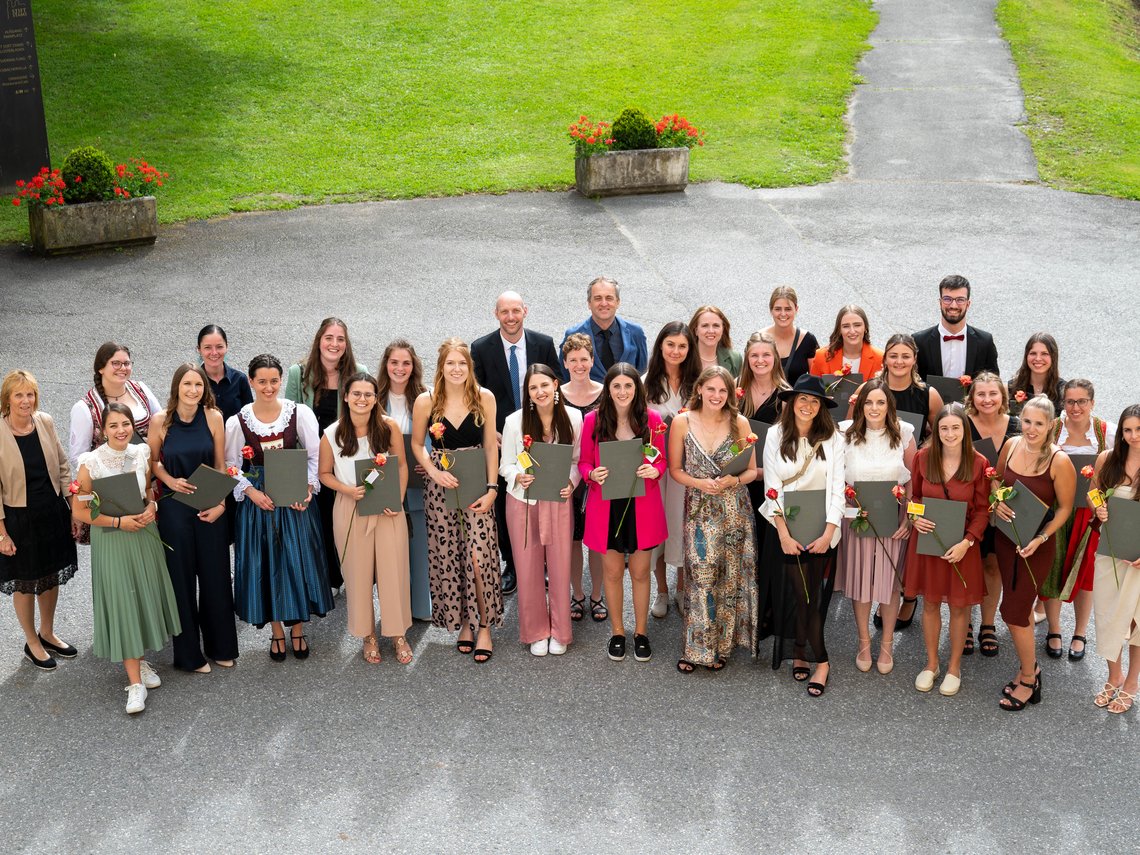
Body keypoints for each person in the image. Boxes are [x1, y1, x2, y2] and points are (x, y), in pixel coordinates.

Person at [71, 404, 180, 714]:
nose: (121, 430)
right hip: (113, 540)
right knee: (123, 601)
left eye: (126, 424)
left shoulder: (141, 453)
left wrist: (152, 507)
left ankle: (140, 661)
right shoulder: (90, 463)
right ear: (103, 430)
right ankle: (134, 685)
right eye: (114, 425)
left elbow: (147, 491)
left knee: (141, 597)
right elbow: (81, 510)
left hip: (143, 536)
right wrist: (119, 523)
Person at [226, 354, 333, 660]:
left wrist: (308, 488)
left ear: (281, 380)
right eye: (262, 381)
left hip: (292, 493)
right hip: (259, 501)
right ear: (251, 382)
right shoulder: (237, 422)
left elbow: (314, 455)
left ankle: (297, 629)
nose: (269, 387)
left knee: (295, 560)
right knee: (266, 563)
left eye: (274, 381)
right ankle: (276, 632)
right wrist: (250, 491)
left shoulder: (298, 413)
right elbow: (231, 465)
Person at [411, 338, 501, 663]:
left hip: (477, 486)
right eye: (451, 363)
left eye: (462, 363)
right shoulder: (426, 401)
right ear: (441, 366)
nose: (457, 368)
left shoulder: (484, 398)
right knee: (451, 556)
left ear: (470, 367)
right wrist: (433, 473)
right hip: (441, 489)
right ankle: (464, 622)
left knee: (478, 558)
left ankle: (485, 626)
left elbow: (490, 446)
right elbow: (418, 445)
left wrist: (492, 489)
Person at [147, 364, 238, 673]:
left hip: (209, 504)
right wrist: (169, 481)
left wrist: (222, 504)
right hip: (174, 509)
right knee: (181, 582)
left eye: (198, 385)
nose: (193, 390)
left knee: (216, 578)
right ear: (177, 387)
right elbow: (154, 462)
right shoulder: (160, 421)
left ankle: (221, 647)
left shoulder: (214, 417)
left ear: (204, 389)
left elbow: (220, 464)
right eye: (187, 384)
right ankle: (189, 656)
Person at [758, 374, 845, 697]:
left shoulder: (833, 438)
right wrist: (783, 533)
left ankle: (811, 656)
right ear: (792, 402)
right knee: (801, 594)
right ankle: (812, 655)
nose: (807, 405)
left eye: (814, 401)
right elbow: (772, 488)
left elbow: (838, 489)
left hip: (822, 528)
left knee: (811, 596)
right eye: (802, 399)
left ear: (821, 407)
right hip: (787, 528)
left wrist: (829, 532)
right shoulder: (775, 434)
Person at [668, 366, 758, 672]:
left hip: (734, 510)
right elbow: (675, 470)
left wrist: (734, 480)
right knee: (701, 577)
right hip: (700, 510)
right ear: (700, 390)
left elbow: (751, 471)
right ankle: (696, 649)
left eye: (723, 390)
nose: (717, 396)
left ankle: (722, 646)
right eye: (711, 389)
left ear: (730, 394)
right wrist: (698, 483)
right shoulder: (682, 422)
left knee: (728, 578)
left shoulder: (739, 422)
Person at [471, 291, 560, 598]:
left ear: (525, 311)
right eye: (504, 312)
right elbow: (475, 397)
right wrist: (490, 432)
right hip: (501, 438)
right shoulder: (481, 348)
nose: (510, 317)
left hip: (540, 434)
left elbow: (556, 385)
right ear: (496, 314)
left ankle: (543, 563)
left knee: (542, 499)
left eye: (516, 311)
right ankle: (511, 562)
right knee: (506, 501)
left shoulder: (543, 344)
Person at [319, 372, 412, 665]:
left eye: (368, 394)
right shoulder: (332, 433)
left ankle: (398, 633)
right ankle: (368, 634)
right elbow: (323, 474)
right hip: (350, 506)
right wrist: (347, 489)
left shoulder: (388, 426)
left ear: (375, 398)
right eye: (356, 394)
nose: (362, 399)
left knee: (393, 572)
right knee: (357, 575)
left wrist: (396, 499)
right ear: (346, 397)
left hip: (387, 508)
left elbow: (401, 466)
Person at [991, 396, 1076, 711]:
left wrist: (1041, 538)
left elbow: (1064, 508)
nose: (1031, 429)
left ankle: (1029, 677)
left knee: (1012, 612)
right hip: (1006, 539)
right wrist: (997, 500)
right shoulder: (1011, 445)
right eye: (1027, 421)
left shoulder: (1059, 461)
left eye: (1039, 424)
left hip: (1036, 546)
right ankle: (1029, 668)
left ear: (1051, 425)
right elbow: (996, 480)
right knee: (1021, 607)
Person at [578, 364, 667, 663]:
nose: (622, 391)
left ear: (636, 389)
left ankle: (641, 632)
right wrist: (592, 474)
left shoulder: (652, 420)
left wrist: (655, 470)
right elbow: (584, 463)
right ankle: (617, 632)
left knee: (641, 572)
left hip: (642, 506)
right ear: (608, 389)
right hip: (607, 507)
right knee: (613, 573)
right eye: (616, 386)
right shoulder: (593, 420)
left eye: (628, 386)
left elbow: (662, 460)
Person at [904, 404, 989, 697]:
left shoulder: (978, 463)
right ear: (936, 430)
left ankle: (954, 667)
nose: (950, 434)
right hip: (929, 542)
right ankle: (931, 663)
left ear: (965, 430)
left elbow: (982, 510)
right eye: (944, 428)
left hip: (962, 546)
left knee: (959, 607)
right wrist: (915, 517)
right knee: (929, 604)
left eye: (955, 428)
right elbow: (915, 496)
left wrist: (968, 542)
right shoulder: (923, 457)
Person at [500, 365, 582, 656]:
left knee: (560, 567)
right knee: (527, 568)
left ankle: (560, 631)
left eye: (544, 385)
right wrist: (517, 476)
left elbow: (577, 460)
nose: (540, 392)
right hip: (523, 502)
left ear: (555, 385)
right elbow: (506, 464)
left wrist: (571, 482)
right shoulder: (514, 421)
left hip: (558, 500)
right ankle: (536, 631)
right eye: (533, 388)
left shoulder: (573, 418)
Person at [0, 370, 78, 671]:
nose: (26, 400)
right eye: (18, 395)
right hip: (17, 517)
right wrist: (2, 534)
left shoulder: (44, 421)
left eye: (30, 394)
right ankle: (31, 641)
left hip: (51, 511)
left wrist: (73, 510)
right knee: (25, 582)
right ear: (7, 399)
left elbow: (62, 466)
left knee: (49, 576)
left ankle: (47, 632)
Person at [838, 378, 916, 676]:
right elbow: (837, 478)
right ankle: (863, 642)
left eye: (880, 402)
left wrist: (909, 517)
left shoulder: (904, 433)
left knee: (888, 582)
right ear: (860, 405)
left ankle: (886, 644)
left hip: (893, 516)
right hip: (856, 514)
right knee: (861, 581)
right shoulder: (844, 433)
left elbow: (913, 480)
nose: (874, 408)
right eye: (869, 402)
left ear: (889, 406)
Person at [283, 317, 367, 593]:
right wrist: (294, 471)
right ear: (319, 340)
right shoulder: (298, 373)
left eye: (340, 339)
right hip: (310, 459)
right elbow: (289, 421)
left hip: (344, 458)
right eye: (329, 338)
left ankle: (344, 575)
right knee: (316, 520)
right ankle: (322, 578)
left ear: (346, 343)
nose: (334, 344)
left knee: (343, 518)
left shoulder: (358, 371)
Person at [1040, 379, 1114, 661]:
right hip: (1055, 508)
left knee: (1085, 572)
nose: (1075, 407)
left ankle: (1080, 632)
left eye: (1082, 401)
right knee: (1052, 567)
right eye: (1070, 401)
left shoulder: (1106, 432)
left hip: (1089, 512)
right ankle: (1054, 629)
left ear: (1092, 403)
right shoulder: (1052, 429)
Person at [642, 321, 701, 618]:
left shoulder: (698, 383)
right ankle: (662, 591)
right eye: (670, 344)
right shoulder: (646, 383)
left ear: (690, 349)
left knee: (682, 526)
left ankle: (681, 588)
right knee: (658, 527)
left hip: (686, 467)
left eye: (682, 346)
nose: (676, 351)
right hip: (654, 469)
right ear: (660, 346)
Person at [962, 371, 1021, 657]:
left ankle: (987, 624)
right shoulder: (963, 424)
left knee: (993, 566)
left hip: (1005, 508)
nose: (987, 399)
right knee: (967, 563)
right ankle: (964, 623)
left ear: (1003, 396)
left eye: (993, 393)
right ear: (972, 397)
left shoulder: (1017, 426)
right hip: (970, 506)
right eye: (981, 394)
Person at [1089, 405, 1140, 714]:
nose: (1133, 436)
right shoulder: (1108, 459)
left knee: (1137, 619)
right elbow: (1093, 492)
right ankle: (1114, 676)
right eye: (1128, 430)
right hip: (1110, 550)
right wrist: (1098, 508)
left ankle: (1132, 682)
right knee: (1108, 613)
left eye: (1139, 429)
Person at [377, 339, 432, 621]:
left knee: (421, 548)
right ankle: (395, 610)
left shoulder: (426, 396)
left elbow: (437, 434)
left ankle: (422, 607)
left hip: (419, 482)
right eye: (394, 362)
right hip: (384, 482)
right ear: (386, 365)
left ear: (414, 366)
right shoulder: (373, 397)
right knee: (390, 551)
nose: (400, 368)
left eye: (406, 363)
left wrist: (429, 461)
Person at [737, 331, 789, 622]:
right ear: (747, 358)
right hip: (738, 483)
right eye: (754, 355)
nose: (760, 360)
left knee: (766, 546)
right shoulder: (735, 391)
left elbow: (791, 450)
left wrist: (760, 472)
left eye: (766, 355)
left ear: (775, 358)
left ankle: (765, 611)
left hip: (770, 484)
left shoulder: (786, 397)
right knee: (741, 545)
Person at [560, 333, 606, 623]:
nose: (579, 365)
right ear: (565, 363)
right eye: (573, 359)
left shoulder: (604, 393)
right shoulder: (556, 395)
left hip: (599, 477)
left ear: (592, 360)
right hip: (568, 479)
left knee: (597, 541)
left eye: (584, 359)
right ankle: (577, 593)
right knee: (573, 540)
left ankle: (597, 594)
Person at [68, 341, 162, 473]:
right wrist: (108, 473)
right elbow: (78, 457)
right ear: (101, 368)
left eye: (127, 363)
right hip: (111, 478)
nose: (123, 368)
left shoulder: (141, 389)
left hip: (148, 471)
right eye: (116, 363)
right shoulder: (84, 408)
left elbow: (162, 423)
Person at [912, 274, 1000, 382]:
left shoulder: (985, 342)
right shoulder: (919, 341)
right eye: (947, 299)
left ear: (968, 304)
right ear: (940, 302)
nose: (953, 305)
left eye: (960, 300)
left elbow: (994, 382)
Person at [560, 276, 648, 383]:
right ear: (589, 303)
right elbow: (564, 377)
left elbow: (641, 375)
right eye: (598, 298)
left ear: (618, 302)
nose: (604, 303)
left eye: (609, 298)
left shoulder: (636, 333)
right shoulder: (573, 334)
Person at [872, 333, 943, 442]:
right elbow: (850, 429)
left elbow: (940, 433)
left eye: (906, 356)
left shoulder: (930, 395)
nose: (899, 362)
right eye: (893, 356)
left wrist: (922, 448)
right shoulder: (867, 390)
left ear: (914, 359)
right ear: (885, 359)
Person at [808, 305, 883, 380]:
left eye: (857, 325)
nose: (852, 331)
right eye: (846, 326)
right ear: (839, 330)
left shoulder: (880, 358)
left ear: (865, 327)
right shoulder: (821, 356)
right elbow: (812, 387)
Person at [760, 286, 818, 385]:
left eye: (788, 309)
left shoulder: (808, 340)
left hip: (797, 395)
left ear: (796, 309)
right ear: (771, 310)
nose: (783, 314)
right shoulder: (759, 339)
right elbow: (748, 375)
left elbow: (815, 380)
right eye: (778, 309)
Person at [196, 324, 253, 422]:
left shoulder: (240, 379)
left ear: (227, 347)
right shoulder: (192, 381)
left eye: (219, 347)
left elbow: (250, 418)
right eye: (207, 347)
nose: (214, 352)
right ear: (199, 349)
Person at [1007, 333, 1064, 416]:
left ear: (1053, 357)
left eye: (1044, 354)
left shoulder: (1063, 390)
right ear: (1026, 356)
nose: (1038, 358)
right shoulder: (1012, 387)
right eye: (1033, 353)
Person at [688, 305, 742, 375]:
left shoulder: (735, 359)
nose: (711, 331)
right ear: (696, 330)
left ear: (723, 330)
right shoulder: (684, 358)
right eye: (705, 326)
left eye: (716, 325)